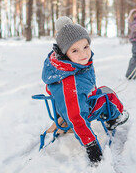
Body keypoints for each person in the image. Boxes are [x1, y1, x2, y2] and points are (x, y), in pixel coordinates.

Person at [42, 16, 129, 164]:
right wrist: (91, 145)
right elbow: (77, 118)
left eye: (86, 47)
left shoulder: (65, 67)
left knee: (102, 91)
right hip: (79, 110)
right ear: (64, 53)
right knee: (109, 96)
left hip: (66, 106)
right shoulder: (70, 83)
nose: (83, 54)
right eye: (75, 50)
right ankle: (114, 118)